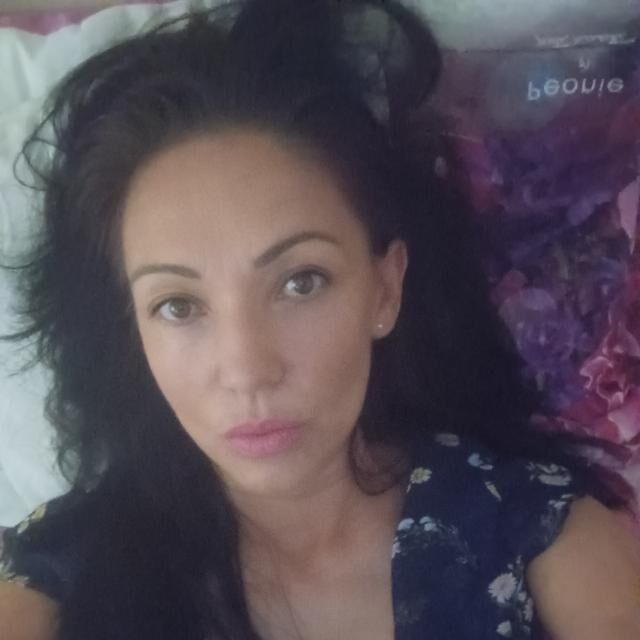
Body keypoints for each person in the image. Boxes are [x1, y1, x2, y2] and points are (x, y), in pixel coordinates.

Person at [0, 1, 638, 639]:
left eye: (300, 282)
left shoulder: (535, 529)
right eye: (179, 306)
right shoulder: (60, 572)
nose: (248, 370)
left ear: (384, 290)